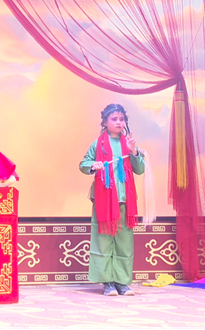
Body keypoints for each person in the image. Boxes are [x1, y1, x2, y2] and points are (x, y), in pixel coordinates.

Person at [79, 103, 144, 296]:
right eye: (114, 119)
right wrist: (94, 164)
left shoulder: (129, 143)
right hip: (104, 202)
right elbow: (83, 164)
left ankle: (122, 283)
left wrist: (134, 151)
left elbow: (140, 169)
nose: (118, 122)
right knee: (104, 242)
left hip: (125, 201)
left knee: (124, 243)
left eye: (121, 119)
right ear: (105, 122)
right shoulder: (98, 144)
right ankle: (107, 283)